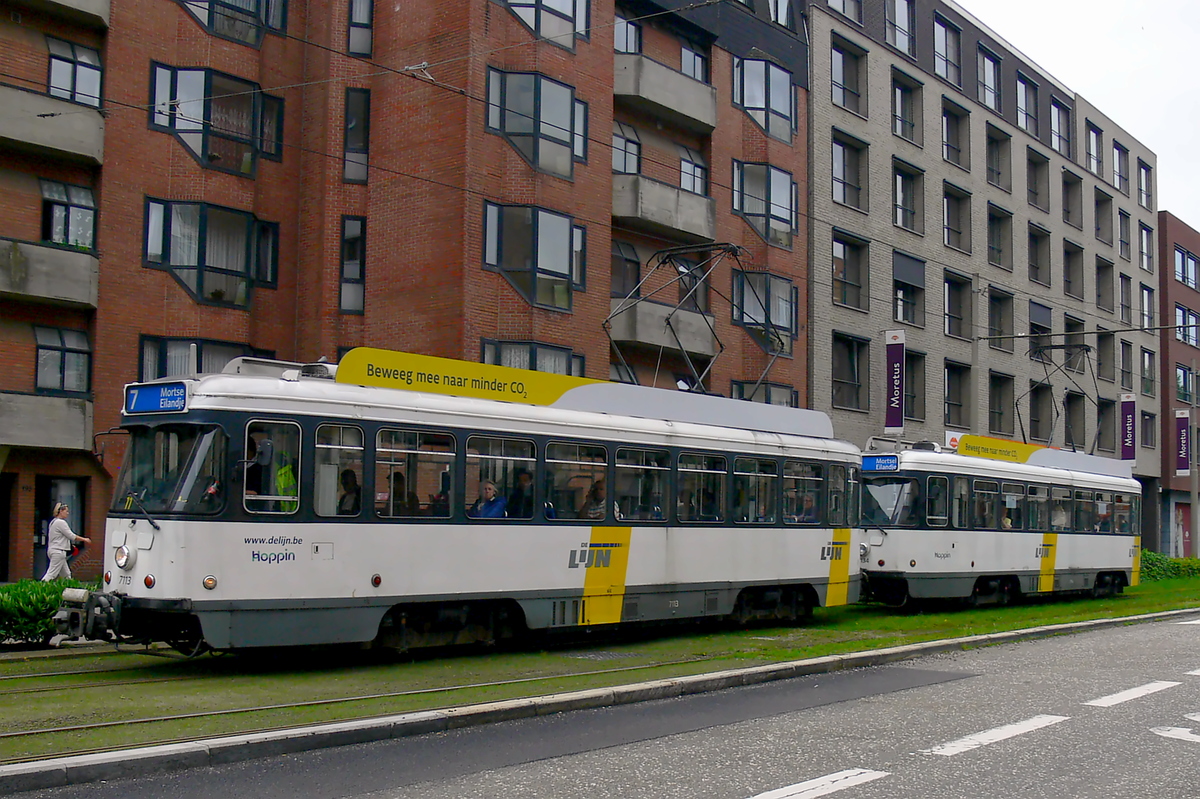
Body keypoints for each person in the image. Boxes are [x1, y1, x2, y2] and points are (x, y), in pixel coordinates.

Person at [41, 503, 91, 581]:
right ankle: (40, 587)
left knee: (66, 574)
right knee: (51, 574)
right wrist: (84, 539)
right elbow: (71, 536)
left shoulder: (53, 522)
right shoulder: (61, 522)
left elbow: (60, 537)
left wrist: (69, 545)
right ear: (61, 511)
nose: (68, 513)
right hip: (59, 551)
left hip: (53, 550)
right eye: (66, 511)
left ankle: (69, 589)